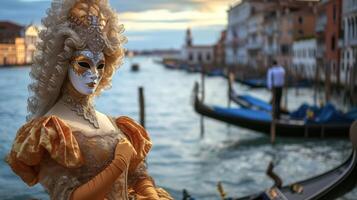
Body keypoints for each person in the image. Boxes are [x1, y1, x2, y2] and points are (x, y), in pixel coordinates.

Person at [5, 0, 172, 199]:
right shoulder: (50, 133)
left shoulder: (115, 124)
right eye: (84, 64)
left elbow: (137, 176)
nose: (94, 74)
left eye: (100, 65)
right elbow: (70, 197)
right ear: (63, 64)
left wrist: (151, 195)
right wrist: (118, 163)